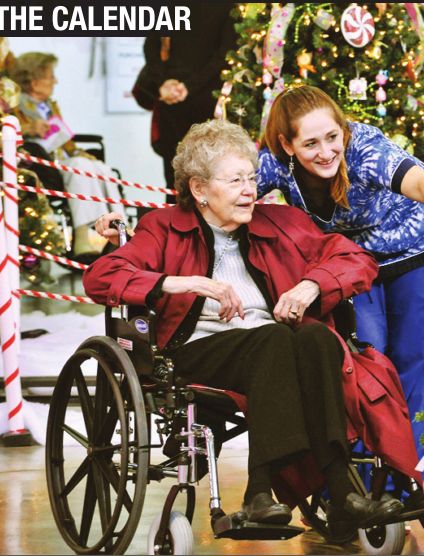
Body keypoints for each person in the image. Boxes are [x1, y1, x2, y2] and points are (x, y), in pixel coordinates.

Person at [83, 119, 402, 534]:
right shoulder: (163, 227)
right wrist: (184, 283)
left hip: (273, 349)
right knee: (274, 338)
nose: (250, 190)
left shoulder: (281, 222)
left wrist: (311, 285)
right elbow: (101, 277)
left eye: (251, 178)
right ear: (199, 188)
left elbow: (356, 259)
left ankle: (341, 491)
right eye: (235, 181)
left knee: (316, 336)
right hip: (193, 352)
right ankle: (259, 490)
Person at [256, 85, 424, 451]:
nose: (326, 152)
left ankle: (408, 476)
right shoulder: (274, 162)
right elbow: (230, 188)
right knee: (364, 363)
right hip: (356, 263)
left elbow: (417, 181)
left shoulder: (365, 149)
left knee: (413, 364)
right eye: (311, 144)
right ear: (287, 145)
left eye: (332, 137)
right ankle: (364, 478)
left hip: (421, 249)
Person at [8, 52, 123, 260]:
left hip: (61, 159)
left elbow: (65, 140)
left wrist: (79, 152)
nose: (55, 81)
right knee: (79, 166)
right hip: (41, 166)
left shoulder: (48, 106)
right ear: (34, 82)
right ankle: (82, 236)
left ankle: (121, 227)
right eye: (50, 76)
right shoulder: (15, 105)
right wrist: (30, 128)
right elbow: (5, 132)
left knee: (100, 168)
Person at [131, 4, 237, 200]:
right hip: (207, 99)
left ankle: (177, 219)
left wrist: (165, 83)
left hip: (177, 100)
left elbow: (151, 47)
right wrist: (184, 86)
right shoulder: (227, 7)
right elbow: (225, 54)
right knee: (207, 177)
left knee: (176, 179)